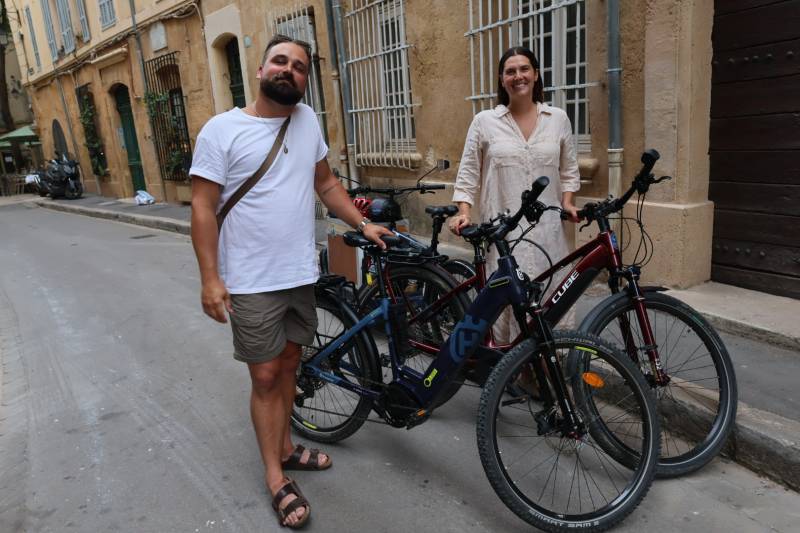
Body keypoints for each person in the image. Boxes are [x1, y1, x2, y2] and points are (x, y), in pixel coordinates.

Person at [189, 35, 391, 529]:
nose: (289, 71)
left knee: (289, 364)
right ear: (259, 71)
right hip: (250, 280)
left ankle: (285, 444)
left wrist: (361, 224)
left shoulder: (306, 122)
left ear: (304, 80)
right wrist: (211, 279)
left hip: (299, 273)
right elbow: (202, 207)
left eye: (299, 67)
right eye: (280, 62)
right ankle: (276, 476)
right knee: (263, 376)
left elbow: (326, 183)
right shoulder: (222, 130)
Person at [449, 45, 580, 343]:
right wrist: (464, 211)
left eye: (524, 69)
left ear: (535, 75)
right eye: (511, 71)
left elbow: (569, 170)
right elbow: (468, 172)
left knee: (550, 298)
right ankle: (512, 370)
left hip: (549, 232)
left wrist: (568, 202)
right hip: (504, 231)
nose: (518, 76)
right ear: (501, 78)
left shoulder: (557, 118)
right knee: (509, 301)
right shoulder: (485, 122)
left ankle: (547, 372)